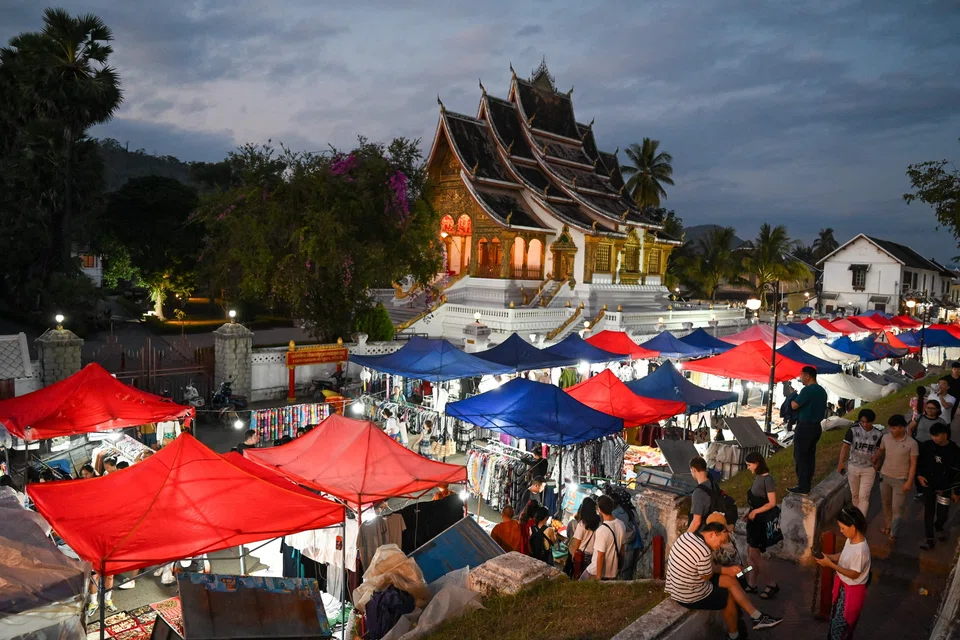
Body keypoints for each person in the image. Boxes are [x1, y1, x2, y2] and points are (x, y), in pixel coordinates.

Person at [665, 521, 782, 638]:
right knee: (728, 596)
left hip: (676, 588)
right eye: (721, 541)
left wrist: (728, 571)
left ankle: (757, 616)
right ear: (713, 534)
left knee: (730, 580)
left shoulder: (687, 535)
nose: (719, 546)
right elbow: (707, 576)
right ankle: (734, 636)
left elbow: (704, 570)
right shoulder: (704, 551)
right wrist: (726, 570)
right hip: (689, 595)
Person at [815, 507, 871, 640]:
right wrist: (829, 557)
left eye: (843, 528)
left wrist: (830, 564)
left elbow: (853, 574)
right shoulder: (851, 539)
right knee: (835, 620)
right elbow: (844, 554)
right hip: (843, 588)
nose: (841, 531)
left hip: (851, 592)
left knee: (842, 626)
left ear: (853, 527)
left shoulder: (861, 551)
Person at [872, 414, 918, 540]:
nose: (890, 430)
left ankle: (893, 534)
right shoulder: (886, 438)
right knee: (886, 504)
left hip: (901, 480)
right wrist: (876, 457)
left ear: (902, 428)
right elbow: (881, 451)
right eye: (890, 427)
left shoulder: (912, 443)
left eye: (893, 428)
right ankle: (888, 526)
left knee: (897, 507)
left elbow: (913, 464)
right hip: (885, 477)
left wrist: (909, 481)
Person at [917, 422, 960, 550]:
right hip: (928, 485)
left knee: (943, 513)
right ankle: (929, 537)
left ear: (945, 435)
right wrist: (919, 475)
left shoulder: (955, 451)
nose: (934, 438)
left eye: (937, 435)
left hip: (945, 488)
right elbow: (919, 462)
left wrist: (956, 492)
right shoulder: (927, 446)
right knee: (929, 511)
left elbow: (957, 473)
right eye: (932, 435)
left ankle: (939, 526)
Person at [742, 452, 779, 599]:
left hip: (760, 522)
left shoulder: (767, 480)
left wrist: (755, 512)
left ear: (757, 464)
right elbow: (755, 501)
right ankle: (752, 583)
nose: (748, 468)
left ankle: (771, 584)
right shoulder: (758, 478)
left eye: (749, 465)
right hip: (754, 520)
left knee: (755, 556)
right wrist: (749, 512)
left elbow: (772, 502)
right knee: (751, 555)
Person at [838, 408, 883, 518]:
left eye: (868, 422)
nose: (865, 424)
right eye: (862, 422)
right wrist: (841, 463)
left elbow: (880, 450)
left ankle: (860, 521)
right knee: (855, 495)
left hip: (868, 469)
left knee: (864, 496)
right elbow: (845, 447)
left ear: (872, 421)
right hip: (853, 466)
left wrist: (876, 465)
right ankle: (856, 518)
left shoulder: (878, 433)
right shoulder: (853, 430)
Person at [790, 366, 828, 494]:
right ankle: (806, 483)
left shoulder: (807, 390)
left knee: (801, 457)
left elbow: (795, 405)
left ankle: (803, 486)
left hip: (805, 426)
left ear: (808, 376)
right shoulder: (822, 391)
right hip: (816, 427)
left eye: (801, 375)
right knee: (810, 457)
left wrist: (791, 399)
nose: (800, 378)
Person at [581, 495, 626, 581]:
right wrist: (619, 568)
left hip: (596, 571)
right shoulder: (621, 524)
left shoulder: (602, 530)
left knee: (579, 585)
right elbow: (622, 550)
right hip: (613, 572)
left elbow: (600, 556)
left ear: (600, 510)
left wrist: (598, 577)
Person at [568, 497, 601, 579]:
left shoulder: (582, 524)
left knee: (579, 577)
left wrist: (572, 554)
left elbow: (576, 542)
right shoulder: (599, 521)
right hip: (594, 555)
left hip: (583, 555)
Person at [688, 456, 718, 534]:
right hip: (715, 528)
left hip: (703, 533)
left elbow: (696, 522)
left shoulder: (698, 492)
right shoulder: (713, 484)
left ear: (693, 469)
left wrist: (684, 538)